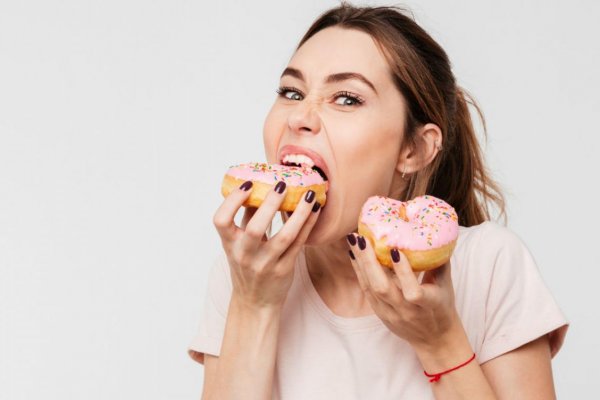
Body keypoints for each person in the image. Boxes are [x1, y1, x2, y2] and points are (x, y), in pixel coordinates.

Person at [188, 3, 568, 399]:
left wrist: (439, 342)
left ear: (415, 150)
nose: (299, 116)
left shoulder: (489, 267)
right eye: (291, 91)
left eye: (347, 98)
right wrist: (254, 305)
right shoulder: (245, 271)